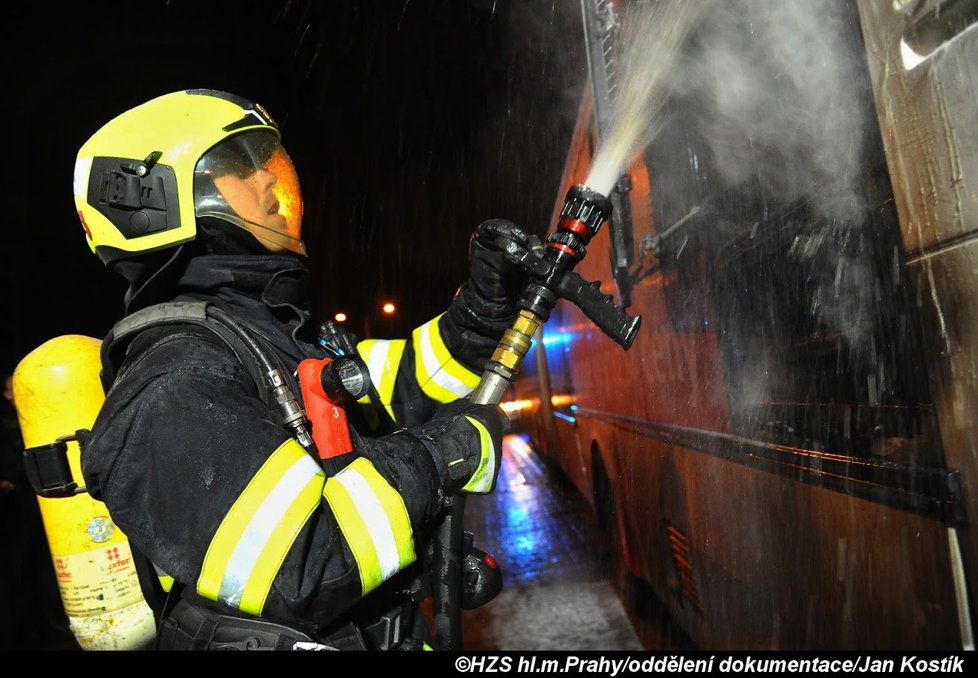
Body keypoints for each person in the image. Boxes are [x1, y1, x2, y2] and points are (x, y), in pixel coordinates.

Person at [71, 88, 533, 650]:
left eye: (267, 163)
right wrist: (436, 458)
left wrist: (481, 315)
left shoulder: (269, 340)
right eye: (235, 169)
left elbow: (404, 389)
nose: (269, 183)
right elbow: (308, 567)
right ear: (160, 202)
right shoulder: (175, 384)